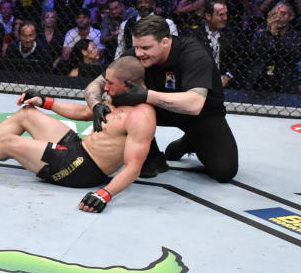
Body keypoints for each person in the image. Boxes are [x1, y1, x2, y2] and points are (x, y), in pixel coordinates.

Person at [0, 56, 155, 213]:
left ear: (131, 84)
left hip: (83, 169)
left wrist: (104, 194)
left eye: (111, 84)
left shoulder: (141, 116)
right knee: (28, 112)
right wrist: (45, 101)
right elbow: (82, 112)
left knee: (9, 143)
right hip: (79, 147)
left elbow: (133, 166)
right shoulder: (118, 96)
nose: (106, 88)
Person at [88, 16, 238, 182]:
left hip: (200, 115)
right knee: (120, 97)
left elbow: (195, 104)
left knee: (225, 171)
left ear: (165, 42)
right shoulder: (134, 56)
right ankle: (151, 156)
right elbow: (96, 85)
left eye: (145, 47)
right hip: (156, 112)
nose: (139, 53)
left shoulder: (193, 54)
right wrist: (95, 105)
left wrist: (146, 95)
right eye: (136, 47)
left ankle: (191, 141)